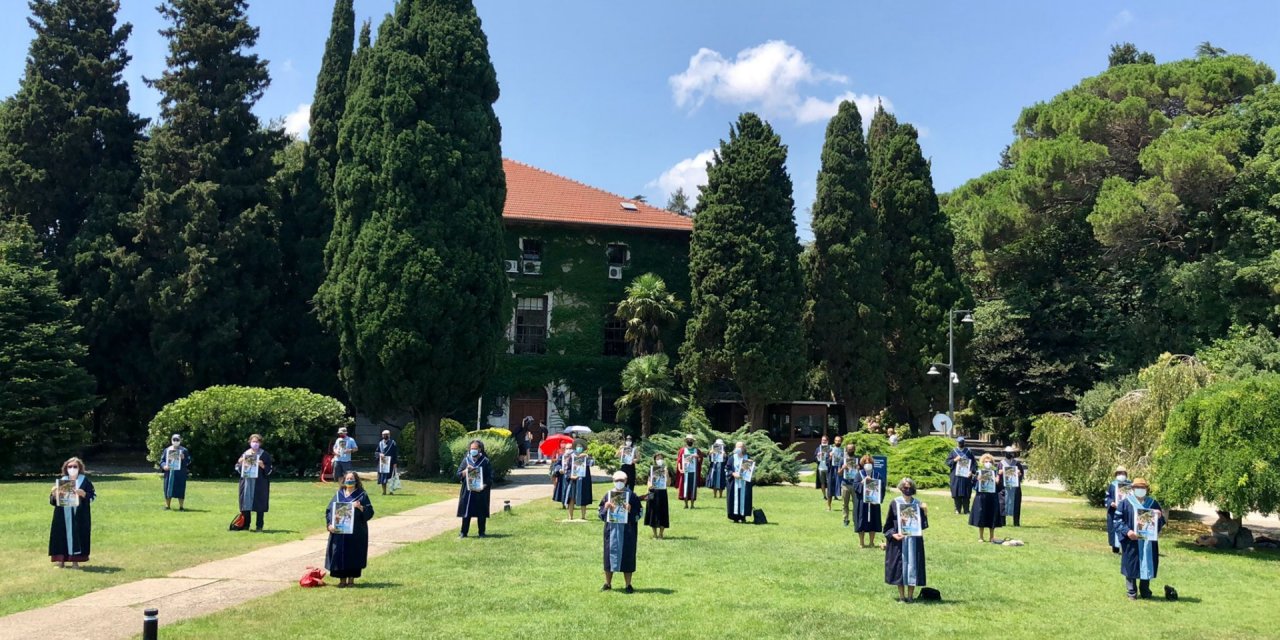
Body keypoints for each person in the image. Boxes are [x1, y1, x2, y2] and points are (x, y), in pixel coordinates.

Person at [1112, 478, 1167, 600]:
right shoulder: (1125, 503)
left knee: (1147, 564)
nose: (1140, 490)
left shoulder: (1153, 503)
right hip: (1131, 541)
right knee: (1131, 565)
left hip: (1148, 542)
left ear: (1146, 489)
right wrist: (1127, 531)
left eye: (1143, 487)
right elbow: (1117, 520)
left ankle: (1145, 591)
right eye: (1137, 487)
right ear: (1132, 488)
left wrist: (1159, 516)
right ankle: (1131, 592)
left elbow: (1161, 522)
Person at [883, 477, 929, 602]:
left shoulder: (918, 504)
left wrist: (924, 512)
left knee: (913, 566)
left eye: (909, 487)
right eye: (905, 487)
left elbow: (922, 526)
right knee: (900, 567)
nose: (907, 490)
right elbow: (887, 526)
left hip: (914, 541)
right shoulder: (895, 503)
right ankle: (902, 596)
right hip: (900, 541)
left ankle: (910, 596)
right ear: (900, 488)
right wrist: (893, 535)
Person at [326, 471, 374, 587]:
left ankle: (351, 580)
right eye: (347, 479)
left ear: (356, 481)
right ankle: (342, 580)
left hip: (356, 532)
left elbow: (370, 512)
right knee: (339, 553)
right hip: (340, 532)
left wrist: (360, 507)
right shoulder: (339, 495)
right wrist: (329, 524)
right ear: (344, 481)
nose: (349, 481)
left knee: (353, 554)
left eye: (352, 478)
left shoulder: (362, 495)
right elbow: (329, 511)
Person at [599, 471, 643, 593]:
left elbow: (640, 513)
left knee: (628, 556)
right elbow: (600, 512)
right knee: (608, 556)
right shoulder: (608, 495)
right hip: (611, 530)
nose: (619, 482)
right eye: (616, 480)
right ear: (613, 481)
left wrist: (630, 510)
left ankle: (628, 585)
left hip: (628, 531)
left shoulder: (632, 496)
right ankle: (607, 583)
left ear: (626, 481)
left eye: (621, 480)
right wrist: (605, 508)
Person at [49, 457, 94, 568]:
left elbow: (92, 496)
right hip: (62, 515)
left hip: (79, 515)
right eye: (70, 466)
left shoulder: (84, 481)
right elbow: (53, 501)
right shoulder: (62, 481)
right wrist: (54, 494)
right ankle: (60, 561)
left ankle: (75, 561)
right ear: (66, 468)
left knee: (77, 536)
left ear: (79, 468)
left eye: (75, 466)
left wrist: (84, 494)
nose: (72, 468)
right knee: (61, 536)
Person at [235, 434, 274, 532]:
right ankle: (246, 525)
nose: (255, 443)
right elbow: (237, 467)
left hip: (259, 484)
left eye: (257, 442)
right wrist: (240, 463)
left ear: (260, 443)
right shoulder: (246, 453)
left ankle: (259, 526)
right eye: (253, 441)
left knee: (259, 504)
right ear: (250, 442)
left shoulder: (264, 455)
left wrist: (263, 465)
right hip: (247, 483)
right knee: (246, 503)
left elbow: (270, 470)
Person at [457, 439, 494, 538]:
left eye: (475, 448)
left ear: (480, 449)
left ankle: (481, 532)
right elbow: (458, 474)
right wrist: (465, 471)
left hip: (481, 491)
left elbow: (490, 476)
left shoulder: (485, 461)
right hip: (468, 491)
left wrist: (484, 485)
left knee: (481, 512)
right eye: (471, 448)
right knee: (466, 512)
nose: (473, 450)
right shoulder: (466, 460)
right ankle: (463, 532)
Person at [968, 453, 1003, 542]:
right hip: (981, 497)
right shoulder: (979, 472)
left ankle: (991, 537)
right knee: (981, 516)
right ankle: (981, 537)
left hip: (992, 497)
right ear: (982, 462)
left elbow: (1000, 487)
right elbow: (973, 485)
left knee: (992, 516)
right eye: (986, 461)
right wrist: (977, 480)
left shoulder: (995, 472)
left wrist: (998, 481)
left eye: (990, 462)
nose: (988, 463)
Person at [853, 455, 882, 547]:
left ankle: (871, 542)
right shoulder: (859, 474)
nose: (868, 464)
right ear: (862, 464)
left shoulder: (877, 474)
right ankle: (861, 542)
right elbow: (855, 486)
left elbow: (882, 487)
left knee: (873, 521)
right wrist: (863, 482)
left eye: (869, 462)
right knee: (861, 521)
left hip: (874, 501)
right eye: (866, 463)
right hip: (862, 502)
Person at [945, 436, 977, 514]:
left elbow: (974, 463)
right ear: (957, 442)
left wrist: (971, 471)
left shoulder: (968, 452)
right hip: (956, 476)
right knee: (956, 492)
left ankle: (966, 510)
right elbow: (947, 462)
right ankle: (957, 509)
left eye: (962, 442)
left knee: (966, 493)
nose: (960, 444)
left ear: (964, 442)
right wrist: (955, 460)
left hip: (966, 476)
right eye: (959, 442)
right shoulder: (953, 452)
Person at [160, 434, 191, 511]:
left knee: (180, 489)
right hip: (169, 473)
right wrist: (164, 466)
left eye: (177, 440)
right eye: (174, 439)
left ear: (180, 440)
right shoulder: (167, 450)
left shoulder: (184, 450)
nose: (175, 441)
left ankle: (181, 507)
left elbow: (188, 461)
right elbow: (162, 461)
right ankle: (167, 506)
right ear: (171, 440)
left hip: (180, 473)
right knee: (167, 489)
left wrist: (183, 458)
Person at [643, 453, 670, 539]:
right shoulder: (651, 469)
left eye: (661, 458)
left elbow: (668, 484)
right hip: (652, 492)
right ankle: (654, 534)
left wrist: (666, 474)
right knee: (652, 512)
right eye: (658, 459)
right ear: (655, 460)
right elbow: (648, 481)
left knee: (663, 512)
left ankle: (661, 534)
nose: (659, 460)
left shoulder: (665, 469)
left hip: (662, 493)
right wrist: (649, 486)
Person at [726, 442, 754, 523]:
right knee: (734, 498)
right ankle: (735, 517)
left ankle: (743, 516)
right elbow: (727, 469)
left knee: (744, 498)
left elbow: (750, 470)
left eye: (740, 447)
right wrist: (733, 474)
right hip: (734, 482)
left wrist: (751, 465)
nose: (738, 448)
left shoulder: (747, 457)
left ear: (744, 448)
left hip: (744, 483)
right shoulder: (732, 458)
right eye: (737, 447)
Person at [1105, 465, 1131, 553]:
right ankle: (1115, 548)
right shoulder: (1112, 485)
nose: (1121, 475)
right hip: (1114, 511)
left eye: (1123, 473)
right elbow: (1107, 497)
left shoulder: (1130, 485)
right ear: (1116, 474)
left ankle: (1126, 547)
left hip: (1126, 511)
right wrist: (1111, 503)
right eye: (1119, 473)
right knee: (1114, 528)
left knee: (1126, 527)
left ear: (1126, 474)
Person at [565, 440, 593, 520]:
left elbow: (592, 463)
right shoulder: (571, 457)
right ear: (575, 447)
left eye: (580, 447)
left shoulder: (586, 456)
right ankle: (570, 517)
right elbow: (567, 469)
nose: (579, 448)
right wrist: (570, 476)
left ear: (583, 448)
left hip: (584, 480)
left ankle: (583, 517)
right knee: (571, 497)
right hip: (574, 480)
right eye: (578, 446)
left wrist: (587, 456)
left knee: (583, 497)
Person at [999, 446, 1026, 527]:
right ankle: (1002, 522)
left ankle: (1016, 522)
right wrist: (1000, 473)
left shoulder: (1017, 464)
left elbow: (1021, 476)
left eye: (1011, 453)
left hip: (1015, 488)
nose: (1010, 455)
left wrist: (1019, 474)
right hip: (1004, 488)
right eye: (1008, 453)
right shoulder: (1001, 464)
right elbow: (997, 475)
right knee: (1002, 504)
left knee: (1016, 504)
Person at [676, 434, 702, 509]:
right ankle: (686, 504)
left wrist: (697, 457)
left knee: (692, 488)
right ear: (686, 441)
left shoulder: (697, 450)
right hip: (685, 472)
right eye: (688, 440)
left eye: (691, 440)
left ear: (693, 441)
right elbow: (679, 461)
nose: (690, 441)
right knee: (685, 487)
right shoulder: (682, 450)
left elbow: (700, 460)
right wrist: (680, 469)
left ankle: (692, 504)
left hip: (693, 472)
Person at [838, 444, 859, 525]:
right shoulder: (842, 460)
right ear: (846, 450)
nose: (850, 451)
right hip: (845, 485)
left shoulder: (858, 460)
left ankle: (855, 519)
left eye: (852, 449)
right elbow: (839, 473)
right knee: (845, 504)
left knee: (856, 504)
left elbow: (862, 473)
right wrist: (843, 468)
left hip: (855, 485)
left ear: (854, 449)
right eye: (849, 449)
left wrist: (859, 469)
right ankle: (845, 519)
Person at [376, 429, 399, 496]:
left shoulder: (393, 443)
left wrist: (395, 463)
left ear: (389, 435)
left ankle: (391, 491)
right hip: (382, 463)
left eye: (386, 434)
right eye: (384, 434)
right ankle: (384, 491)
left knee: (391, 477)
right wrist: (380, 454)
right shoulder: (380, 443)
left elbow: (395, 453)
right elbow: (376, 452)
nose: (385, 436)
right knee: (383, 477)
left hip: (391, 463)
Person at [824, 435, 844, 511]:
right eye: (836, 440)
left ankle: (844, 506)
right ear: (834, 441)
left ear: (841, 442)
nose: (837, 442)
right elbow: (826, 462)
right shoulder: (830, 450)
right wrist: (830, 457)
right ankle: (829, 506)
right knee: (830, 488)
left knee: (843, 488)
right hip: (832, 471)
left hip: (840, 470)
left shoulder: (843, 451)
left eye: (839, 441)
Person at [551, 442, 570, 506]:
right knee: (563, 488)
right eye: (567, 448)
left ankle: (570, 503)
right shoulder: (562, 456)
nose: (568, 450)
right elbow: (557, 464)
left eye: (570, 448)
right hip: (563, 475)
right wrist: (559, 469)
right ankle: (563, 502)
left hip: (571, 475)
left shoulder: (574, 456)